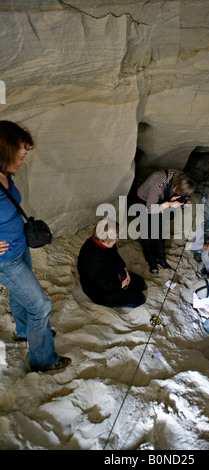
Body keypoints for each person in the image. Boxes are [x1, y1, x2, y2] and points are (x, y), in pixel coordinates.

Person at [0, 120, 71, 373]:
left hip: (19, 248)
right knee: (40, 306)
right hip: (5, 260)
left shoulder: (4, 175)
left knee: (21, 296)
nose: (24, 160)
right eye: (21, 155)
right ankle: (44, 361)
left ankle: (24, 332)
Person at [137, 169, 196, 274]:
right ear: (175, 186)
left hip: (162, 200)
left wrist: (183, 203)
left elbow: (179, 195)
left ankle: (161, 259)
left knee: (159, 232)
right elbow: (150, 209)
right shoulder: (158, 181)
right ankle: (151, 261)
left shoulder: (182, 178)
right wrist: (169, 204)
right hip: (145, 202)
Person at [77, 218, 146, 308]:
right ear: (106, 238)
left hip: (111, 274)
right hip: (100, 290)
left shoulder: (106, 243)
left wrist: (123, 268)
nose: (116, 240)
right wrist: (121, 284)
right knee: (140, 298)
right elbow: (101, 283)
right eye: (114, 239)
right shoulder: (92, 259)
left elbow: (115, 256)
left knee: (140, 282)